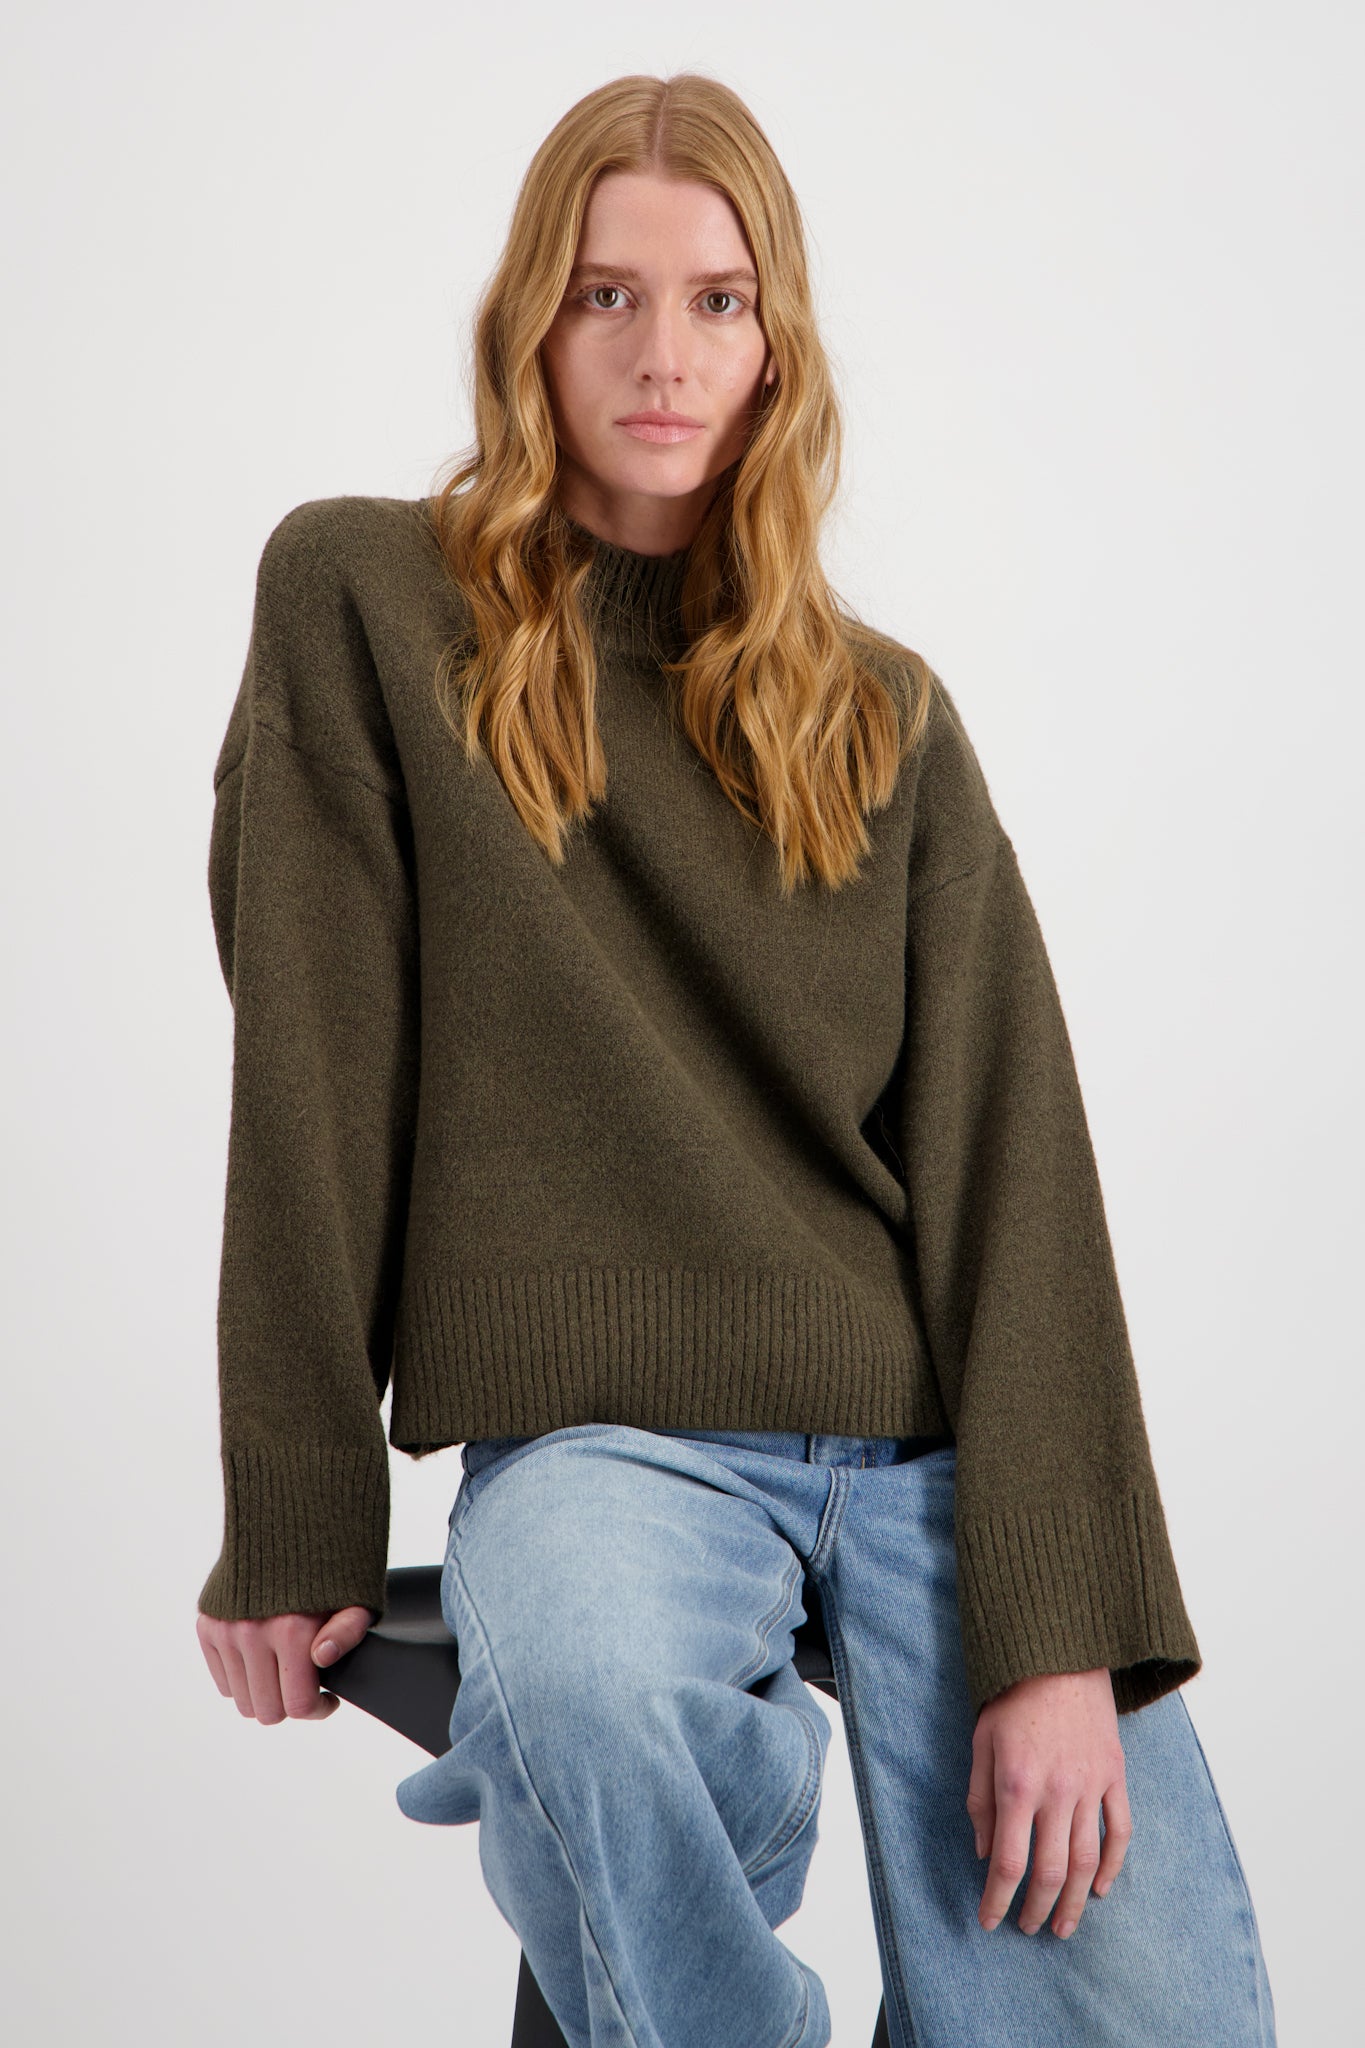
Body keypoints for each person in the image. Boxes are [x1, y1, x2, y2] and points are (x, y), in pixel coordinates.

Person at [195, 71, 1276, 2048]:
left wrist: (1062, 1635)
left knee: (1145, 1999)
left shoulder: (879, 715)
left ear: (775, 342)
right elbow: (310, 1082)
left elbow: (1015, 1182)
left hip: (924, 1450)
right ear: (529, 323)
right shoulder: (366, 602)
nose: (661, 353)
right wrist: (297, 1503)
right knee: (592, 1686)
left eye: (715, 300)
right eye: (604, 295)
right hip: (608, 1445)